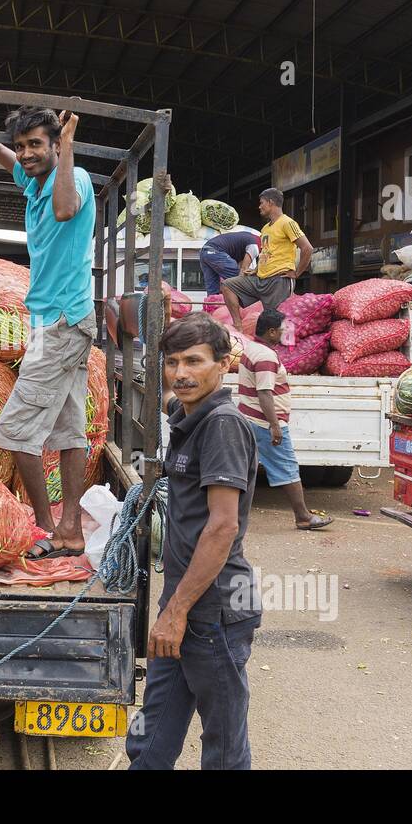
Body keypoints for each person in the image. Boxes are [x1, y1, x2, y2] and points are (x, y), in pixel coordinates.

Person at [126, 313, 261, 770]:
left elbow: (223, 527)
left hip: (212, 610)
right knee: (154, 727)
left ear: (224, 365)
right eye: (172, 361)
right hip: (180, 602)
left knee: (223, 742)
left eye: (195, 361)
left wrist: (179, 611)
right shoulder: (186, 416)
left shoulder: (223, 425)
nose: (181, 373)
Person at [0, 102, 97, 559]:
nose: (25, 154)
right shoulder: (37, 180)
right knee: (68, 428)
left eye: (35, 144)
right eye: (22, 145)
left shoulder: (70, 179)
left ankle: (44, 529)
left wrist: (69, 145)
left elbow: (65, 211)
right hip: (59, 320)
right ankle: (70, 531)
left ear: (56, 145)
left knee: (17, 429)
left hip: (62, 320)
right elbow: (12, 166)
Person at [239, 311, 334, 530]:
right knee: (287, 466)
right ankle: (303, 517)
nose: (285, 332)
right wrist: (274, 426)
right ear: (271, 332)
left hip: (250, 417)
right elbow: (264, 393)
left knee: (245, 469)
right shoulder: (264, 357)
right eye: (282, 328)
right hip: (263, 422)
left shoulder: (253, 349)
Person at [222, 188, 311, 324]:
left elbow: (307, 248)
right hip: (260, 279)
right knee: (228, 285)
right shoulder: (265, 229)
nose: (259, 206)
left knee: (277, 323)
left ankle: (283, 344)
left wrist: (297, 273)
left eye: (261, 203)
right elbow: (266, 253)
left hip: (278, 280)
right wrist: (256, 269)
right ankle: (238, 325)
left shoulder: (288, 223)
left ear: (270, 203)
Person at [199, 227, 261, 296]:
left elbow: (241, 266)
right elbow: (243, 269)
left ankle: (213, 304)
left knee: (213, 290)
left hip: (204, 252)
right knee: (238, 278)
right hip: (215, 251)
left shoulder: (244, 243)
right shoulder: (254, 246)